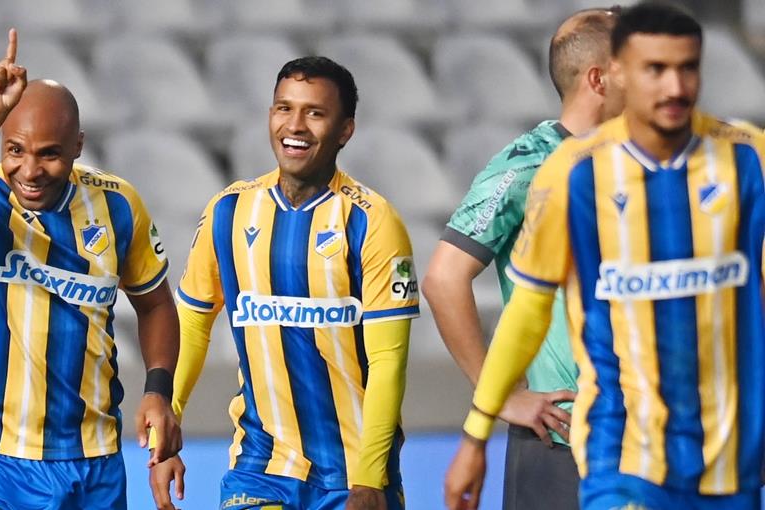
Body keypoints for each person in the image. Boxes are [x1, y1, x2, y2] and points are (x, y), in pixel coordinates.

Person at [444, 3, 765, 509]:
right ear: (606, 76)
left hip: (708, 441)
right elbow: (464, 284)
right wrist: (491, 409)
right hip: (574, 439)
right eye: (647, 67)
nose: (671, 85)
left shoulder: (737, 156)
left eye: (683, 67)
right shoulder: (549, 168)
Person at [0, 29, 182, 509]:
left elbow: (156, 304)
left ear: (77, 145)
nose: (30, 171)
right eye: (15, 150)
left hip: (92, 457)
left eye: (49, 154)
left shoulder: (117, 206)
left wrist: (159, 391)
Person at [149, 56, 416, 510]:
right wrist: (166, 432)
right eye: (283, 108)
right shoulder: (228, 212)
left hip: (354, 477)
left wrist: (371, 481)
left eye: (315, 113)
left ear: (345, 130)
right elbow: (191, 325)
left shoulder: (372, 222)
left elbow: (388, 361)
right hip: (260, 466)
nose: (294, 125)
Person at [422, 7, 621, 510]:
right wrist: (504, 396)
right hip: (562, 449)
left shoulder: (659, 165)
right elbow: (444, 278)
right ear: (598, 79)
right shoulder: (529, 164)